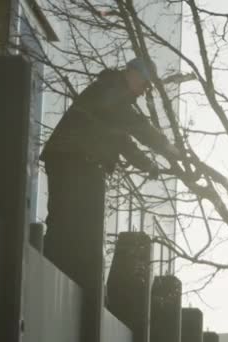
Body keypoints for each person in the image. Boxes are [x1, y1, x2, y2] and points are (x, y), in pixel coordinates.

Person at [40, 58, 179, 288]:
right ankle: (54, 272)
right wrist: (164, 145)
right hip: (75, 161)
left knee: (73, 225)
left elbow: (122, 139)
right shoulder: (111, 90)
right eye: (145, 85)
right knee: (71, 222)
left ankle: (61, 273)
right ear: (134, 73)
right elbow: (134, 124)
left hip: (75, 160)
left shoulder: (114, 98)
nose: (145, 92)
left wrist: (147, 164)